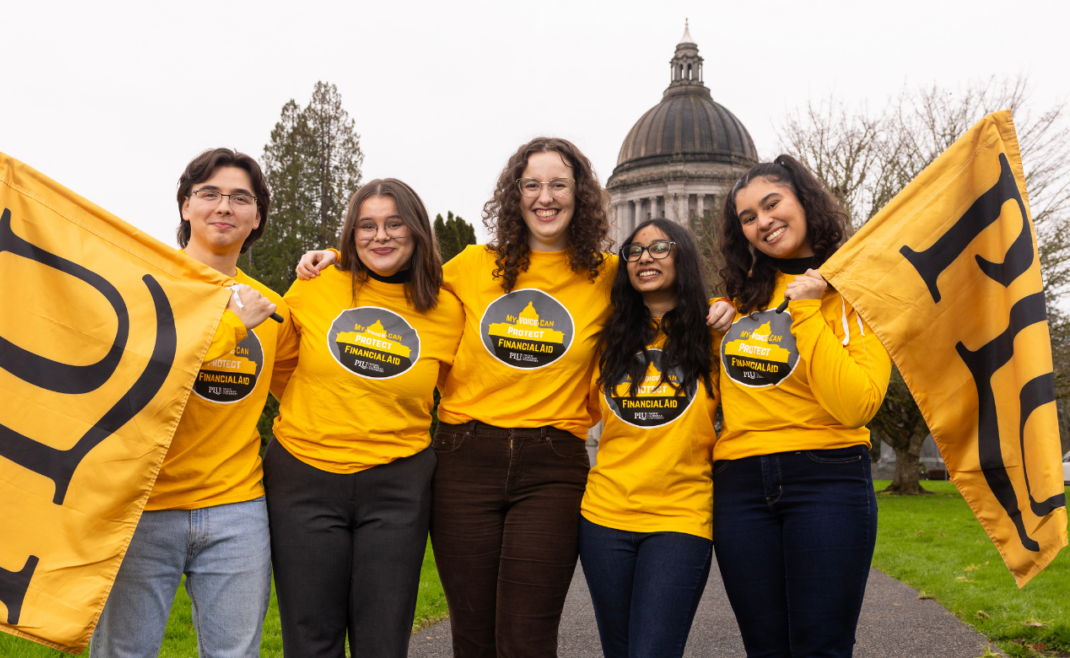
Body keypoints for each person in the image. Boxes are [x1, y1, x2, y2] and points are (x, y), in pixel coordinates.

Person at [297, 137, 735, 657]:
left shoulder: (607, 273)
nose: (544, 197)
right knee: (474, 635)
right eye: (531, 185)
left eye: (558, 185)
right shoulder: (471, 266)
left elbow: (667, 291)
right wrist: (338, 258)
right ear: (514, 194)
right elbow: (395, 274)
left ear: (581, 196)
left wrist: (720, 304)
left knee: (527, 635)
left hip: (551, 469)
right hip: (465, 459)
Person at [91, 148, 286, 658]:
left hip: (236, 510)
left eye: (240, 198)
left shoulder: (274, 309)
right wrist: (231, 327)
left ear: (256, 217)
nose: (224, 207)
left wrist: (329, 266)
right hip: (141, 507)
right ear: (185, 207)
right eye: (210, 194)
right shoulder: (144, 291)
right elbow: (138, 376)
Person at [264, 179, 464, 657]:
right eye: (367, 225)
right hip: (303, 476)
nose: (381, 236)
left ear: (417, 231)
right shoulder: (317, 284)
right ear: (350, 235)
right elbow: (282, 365)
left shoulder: (447, 309)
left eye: (395, 224)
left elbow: (463, 389)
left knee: (384, 638)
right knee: (311, 636)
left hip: (398, 485)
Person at [713, 154, 891, 658]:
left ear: (805, 201)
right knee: (764, 649)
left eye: (772, 204)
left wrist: (809, 308)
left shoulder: (857, 291)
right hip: (740, 486)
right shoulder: (739, 299)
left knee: (821, 647)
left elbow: (857, 403)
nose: (762, 222)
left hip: (827, 476)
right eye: (748, 217)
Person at [579, 219, 719, 658]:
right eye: (634, 251)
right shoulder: (608, 338)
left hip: (680, 517)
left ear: (684, 257)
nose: (645, 257)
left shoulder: (715, 332)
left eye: (660, 246)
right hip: (605, 518)